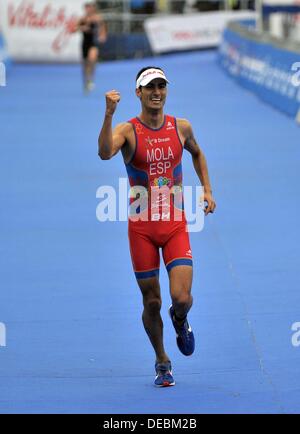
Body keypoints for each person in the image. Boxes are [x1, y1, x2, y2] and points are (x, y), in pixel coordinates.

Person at [98, 67, 216, 387]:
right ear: (138, 92)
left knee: (181, 297)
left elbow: (198, 153)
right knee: (152, 301)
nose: (156, 92)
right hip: (142, 228)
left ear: (166, 90)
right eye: (150, 86)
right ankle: (162, 359)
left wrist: (206, 188)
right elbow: (105, 152)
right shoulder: (127, 130)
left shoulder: (181, 127)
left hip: (175, 224)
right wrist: (109, 114)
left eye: (161, 86)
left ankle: (180, 320)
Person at [73, 2, 107, 93]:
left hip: (93, 43)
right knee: (85, 64)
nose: (89, 10)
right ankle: (86, 81)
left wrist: (102, 35)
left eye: (91, 8)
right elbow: (73, 29)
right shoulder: (82, 19)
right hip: (85, 43)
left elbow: (103, 27)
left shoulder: (97, 18)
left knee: (92, 59)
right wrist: (82, 28)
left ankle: (91, 78)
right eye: (87, 8)